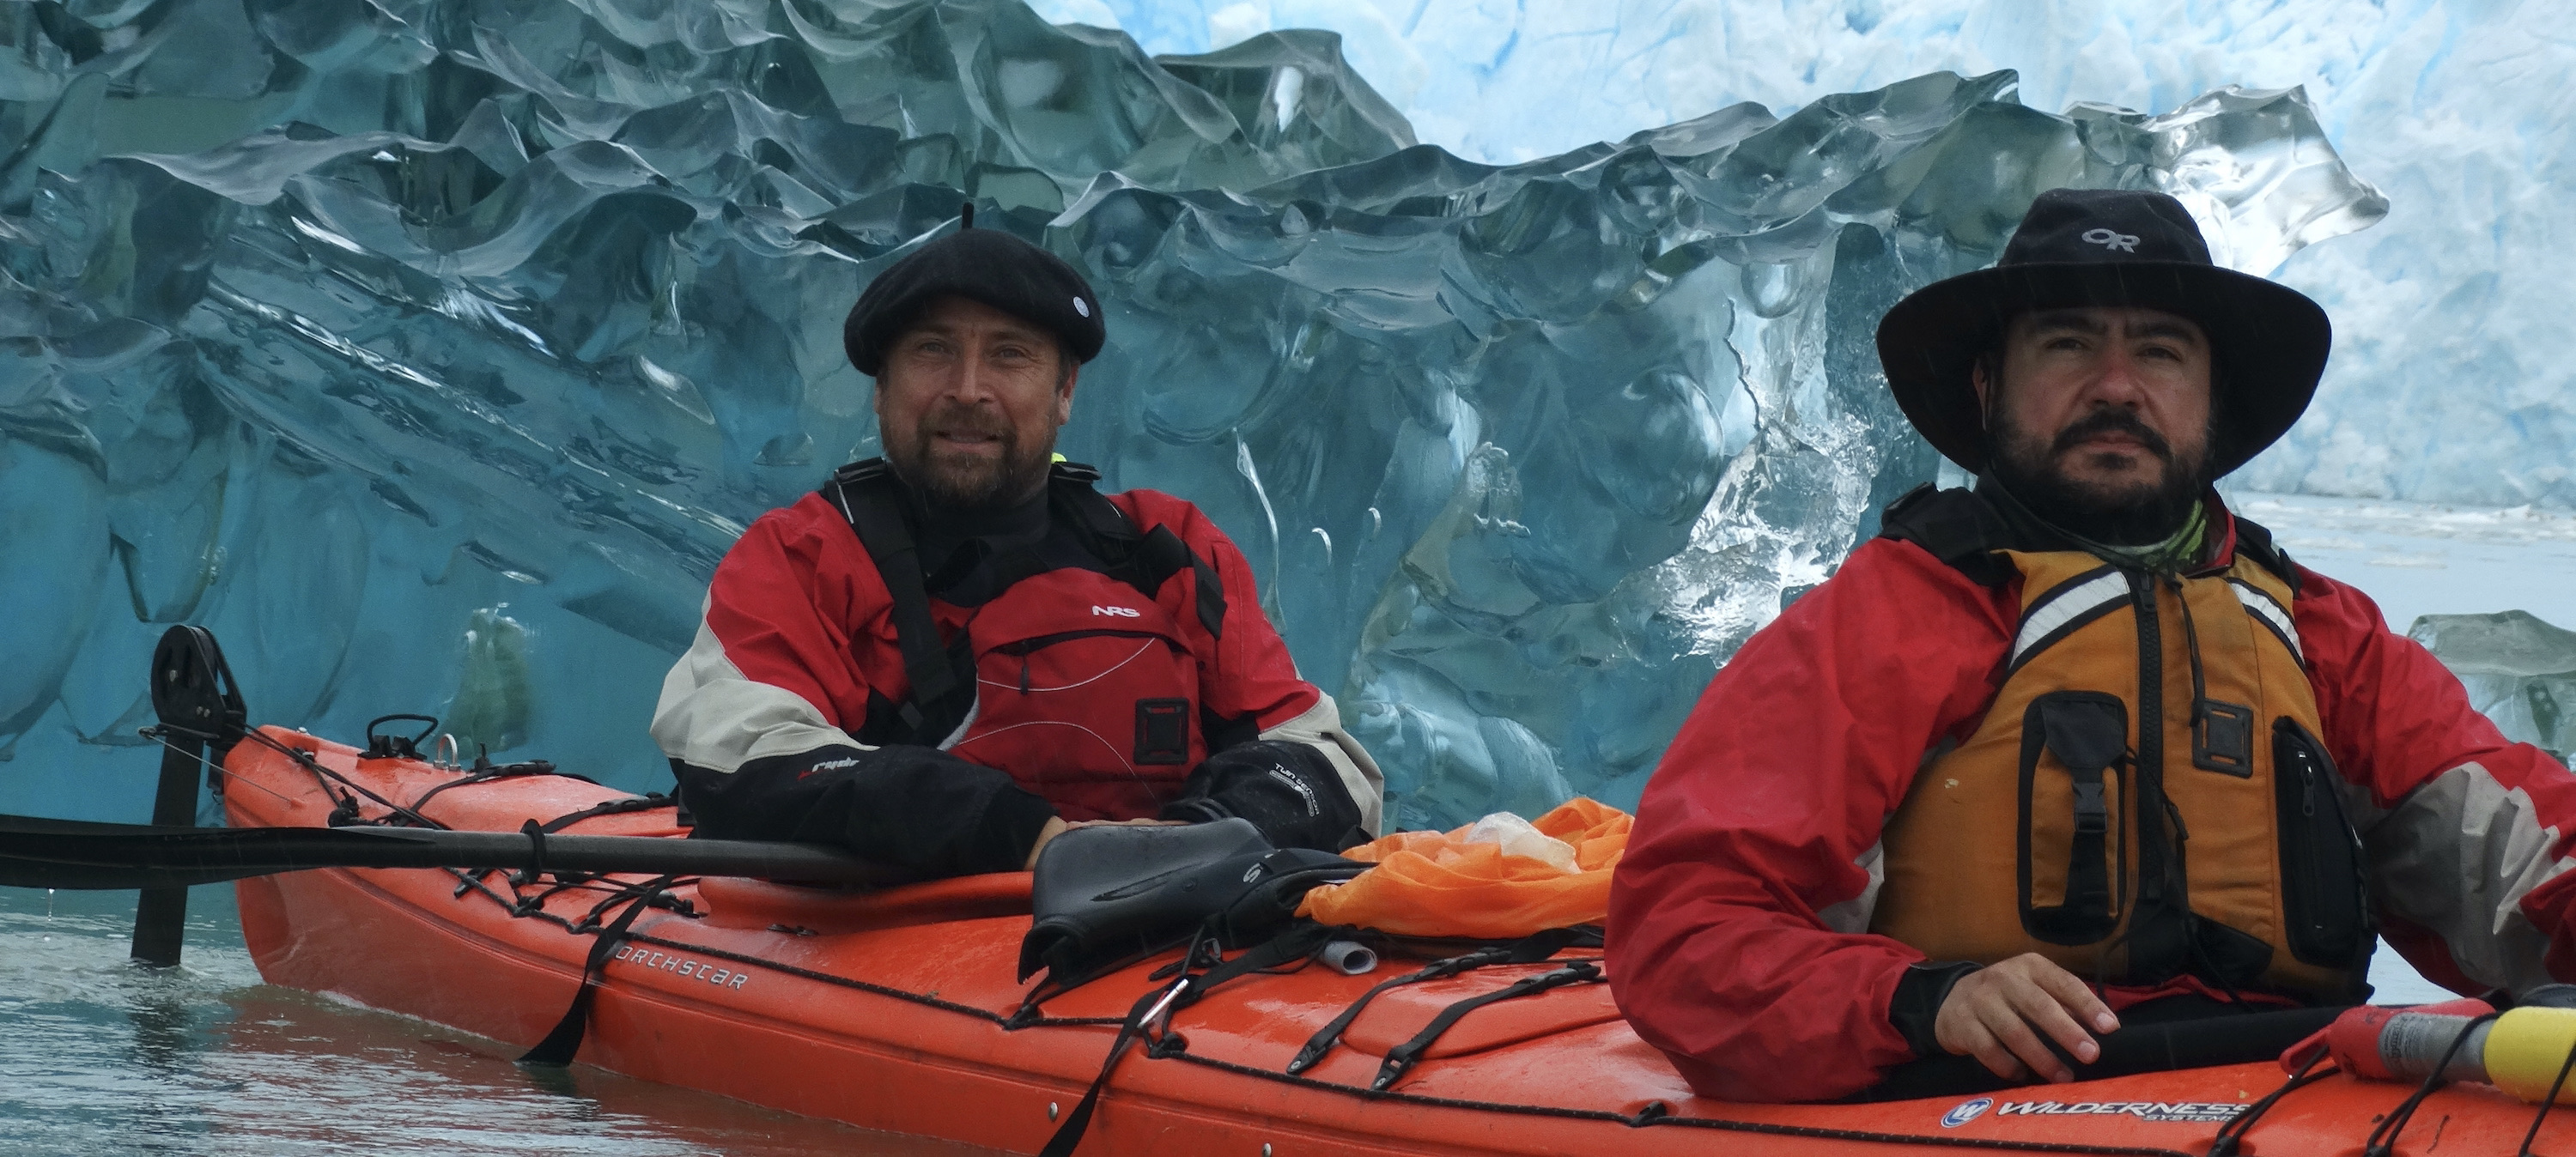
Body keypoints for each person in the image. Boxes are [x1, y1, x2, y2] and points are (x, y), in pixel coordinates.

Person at [1604, 188, 2576, 1103]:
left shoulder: (2323, 638)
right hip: (1967, 1095)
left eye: (2160, 352)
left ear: (2212, 396)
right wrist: (1925, 1000)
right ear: (1988, 385)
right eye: (2066, 345)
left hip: (2291, 1088)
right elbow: (1688, 925)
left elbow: (2529, 855)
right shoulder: (1891, 620)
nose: (2116, 387)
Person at [650, 221, 1383, 879]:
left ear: (1065, 393)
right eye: (933, 350)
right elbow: (733, 750)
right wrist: (1013, 833)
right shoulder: (803, 557)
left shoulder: (1167, 552)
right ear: (880, 388)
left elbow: (1323, 759)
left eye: (1010, 355)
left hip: (1168, 931)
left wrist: (1192, 844)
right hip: (898, 940)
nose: (969, 389)